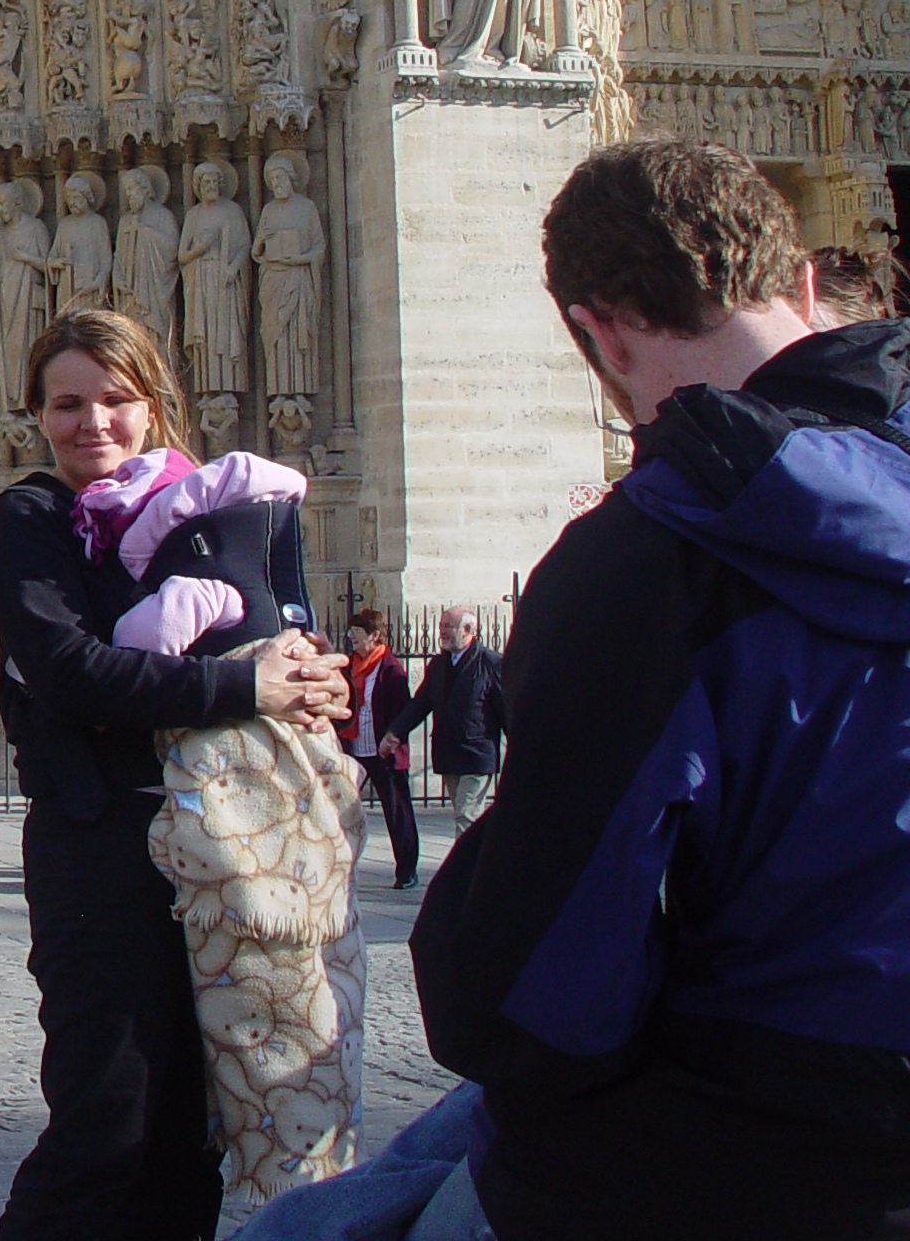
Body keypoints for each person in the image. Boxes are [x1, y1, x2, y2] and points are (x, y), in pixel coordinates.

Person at [412, 141, 910, 1236]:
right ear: (805, 286)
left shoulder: (645, 563)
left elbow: (538, 1008)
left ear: (597, 332)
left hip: (755, 1150)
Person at [0, 310, 344, 1241]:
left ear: (157, 405)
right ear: (33, 414)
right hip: (101, 847)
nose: (92, 422)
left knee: (196, 1127)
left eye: (115, 400)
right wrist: (244, 684)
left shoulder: (200, 515)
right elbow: (72, 674)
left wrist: (307, 671)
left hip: (221, 850)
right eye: (66, 403)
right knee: (108, 1119)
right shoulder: (28, 521)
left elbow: (259, 625)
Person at [93, 449, 365, 1205]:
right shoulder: (290, 620)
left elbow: (127, 662)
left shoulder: (193, 592)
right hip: (305, 856)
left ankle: (272, 1186)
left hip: (237, 861)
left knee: (252, 1027)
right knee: (315, 1017)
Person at [376, 606, 501, 834]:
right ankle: (480, 859)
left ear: (466, 629)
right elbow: (420, 704)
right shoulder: (438, 665)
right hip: (448, 752)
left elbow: (505, 709)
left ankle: (465, 868)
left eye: (448, 626)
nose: (441, 632)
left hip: (477, 754)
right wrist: (395, 733)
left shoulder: (490, 663)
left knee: (467, 814)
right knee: (463, 812)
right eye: (441, 626)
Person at [340, 609, 416, 890]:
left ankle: (407, 870)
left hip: (383, 751)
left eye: (357, 635)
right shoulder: (348, 666)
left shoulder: (390, 668)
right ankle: (339, 867)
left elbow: (402, 710)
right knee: (341, 809)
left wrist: (393, 738)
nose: (352, 640)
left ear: (374, 636)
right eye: (351, 634)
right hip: (355, 746)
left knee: (397, 812)